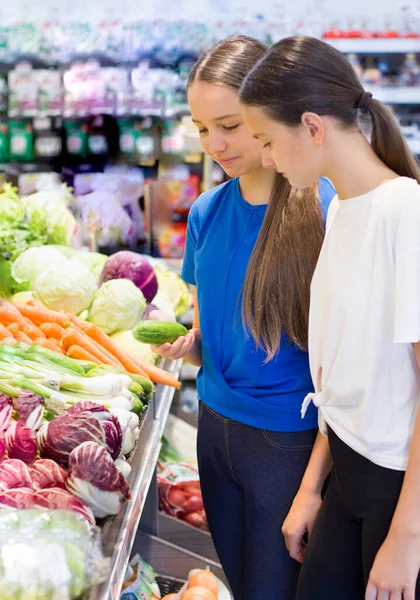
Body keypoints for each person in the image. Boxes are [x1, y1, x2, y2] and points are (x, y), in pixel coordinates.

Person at [150, 35, 335, 600]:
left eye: (229, 125)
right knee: (240, 581)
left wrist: (311, 488)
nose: (214, 144)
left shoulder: (326, 210)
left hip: (288, 445)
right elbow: (211, 337)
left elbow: (346, 371)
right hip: (215, 431)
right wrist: (190, 344)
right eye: (202, 128)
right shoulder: (207, 212)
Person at [240, 35, 420, 600]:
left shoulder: (404, 213)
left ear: (313, 127)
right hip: (348, 472)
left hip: (399, 491)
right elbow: (346, 376)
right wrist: (312, 488)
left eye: (268, 139)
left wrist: (406, 539)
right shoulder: (341, 208)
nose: (265, 158)